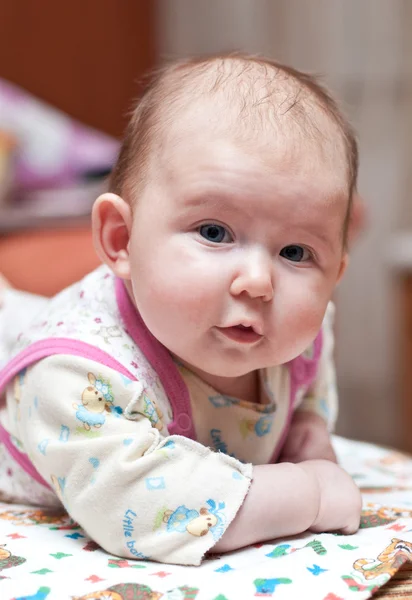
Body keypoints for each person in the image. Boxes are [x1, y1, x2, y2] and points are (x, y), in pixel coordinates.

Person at [0, 54, 362, 566]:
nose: (258, 282)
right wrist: (307, 492)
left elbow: (309, 380)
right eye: (214, 233)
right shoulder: (78, 375)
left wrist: (309, 425)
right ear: (121, 239)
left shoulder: (303, 328)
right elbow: (136, 506)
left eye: (296, 253)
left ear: (334, 276)